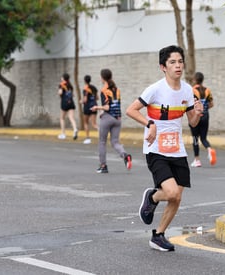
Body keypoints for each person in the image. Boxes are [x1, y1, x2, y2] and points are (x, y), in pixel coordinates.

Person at [126, 45, 203, 252]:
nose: (178, 66)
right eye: (172, 62)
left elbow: (192, 123)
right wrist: (149, 124)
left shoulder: (188, 90)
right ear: (163, 67)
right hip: (156, 149)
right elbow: (131, 110)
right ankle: (152, 197)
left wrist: (197, 113)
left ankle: (158, 235)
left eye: (180, 61)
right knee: (169, 193)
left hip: (177, 150)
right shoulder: (155, 89)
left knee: (177, 196)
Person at [90, 69, 132, 174]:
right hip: (117, 119)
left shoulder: (104, 90)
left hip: (107, 118)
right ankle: (125, 155)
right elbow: (115, 105)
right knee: (115, 142)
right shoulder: (117, 89)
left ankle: (103, 166)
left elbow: (107, 107)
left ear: (102, 78)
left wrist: (97, 107)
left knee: (102, 142)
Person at [189, 72, 217, 167]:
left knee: (195, 138)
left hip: (196, 116)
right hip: (205, 115)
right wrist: (204, 108)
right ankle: (209, 149)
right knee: (204, 138)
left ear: (194, 80)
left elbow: (189, 104)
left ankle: (197, 160)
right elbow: (211, 104)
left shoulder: (192, 90)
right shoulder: (207, 90)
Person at [58, 73, 78, 140]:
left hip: (64, 103)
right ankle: (75, 129)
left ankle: (63, 134)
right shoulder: (70, 85)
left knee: (62, 118)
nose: (61, 78)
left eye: (61, 77)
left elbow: (60, 93)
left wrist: (59, 92)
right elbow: (73, 95)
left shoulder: (61, 84)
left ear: (63, 78)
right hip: (71, 102)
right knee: (71, 117)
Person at [81, 75, 99, 144]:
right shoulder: (94, 88)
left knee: (86, 122)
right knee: (94, 124)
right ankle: (101, 133)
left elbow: (85, 100)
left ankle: (88, 138)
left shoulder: (86, 88)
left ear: (85, 81)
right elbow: (97, 98)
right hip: (94, 105)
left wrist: (81, 101)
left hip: (87, 107)